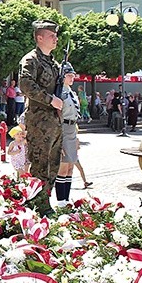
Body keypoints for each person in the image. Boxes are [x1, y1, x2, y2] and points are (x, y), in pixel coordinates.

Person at [19, 20, 62, 216]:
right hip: (38, 121)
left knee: (53, 163)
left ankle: (46, 200)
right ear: (40, 38)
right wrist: (49, 99)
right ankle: (37, 204)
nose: (56, 39)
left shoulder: (53, 63)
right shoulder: (31, 60)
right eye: (51, 35)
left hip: (54, 120)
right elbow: (26, 85)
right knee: (39, 162)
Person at [54, 63, 80, 207]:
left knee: (70, 167)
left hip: (72, 130)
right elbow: (56, 116)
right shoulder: (60, 93)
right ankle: (61, 202)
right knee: (63, 168)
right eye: (69, 75)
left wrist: (77, 136)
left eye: (73, 75)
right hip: (63, 129)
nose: (72, 78)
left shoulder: (71, 93)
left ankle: (66, 199)